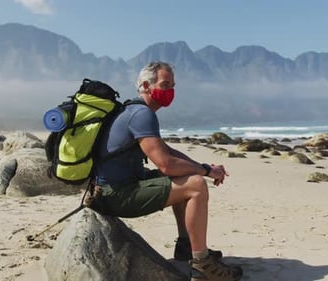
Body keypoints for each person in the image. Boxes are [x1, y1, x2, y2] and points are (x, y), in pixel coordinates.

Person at [88, 61, 243, 281]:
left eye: (172, 86)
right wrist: (206, 172)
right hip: (115, 195)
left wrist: (204, 167)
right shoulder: (142, 114)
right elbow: (165, 164)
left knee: (186, 176)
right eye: (165, 84)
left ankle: (186, 247)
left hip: (109, 190)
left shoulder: (133, 110)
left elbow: (168, 152)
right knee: (196, 185)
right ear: (145, 85)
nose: (170, 91)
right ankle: (202, 265)